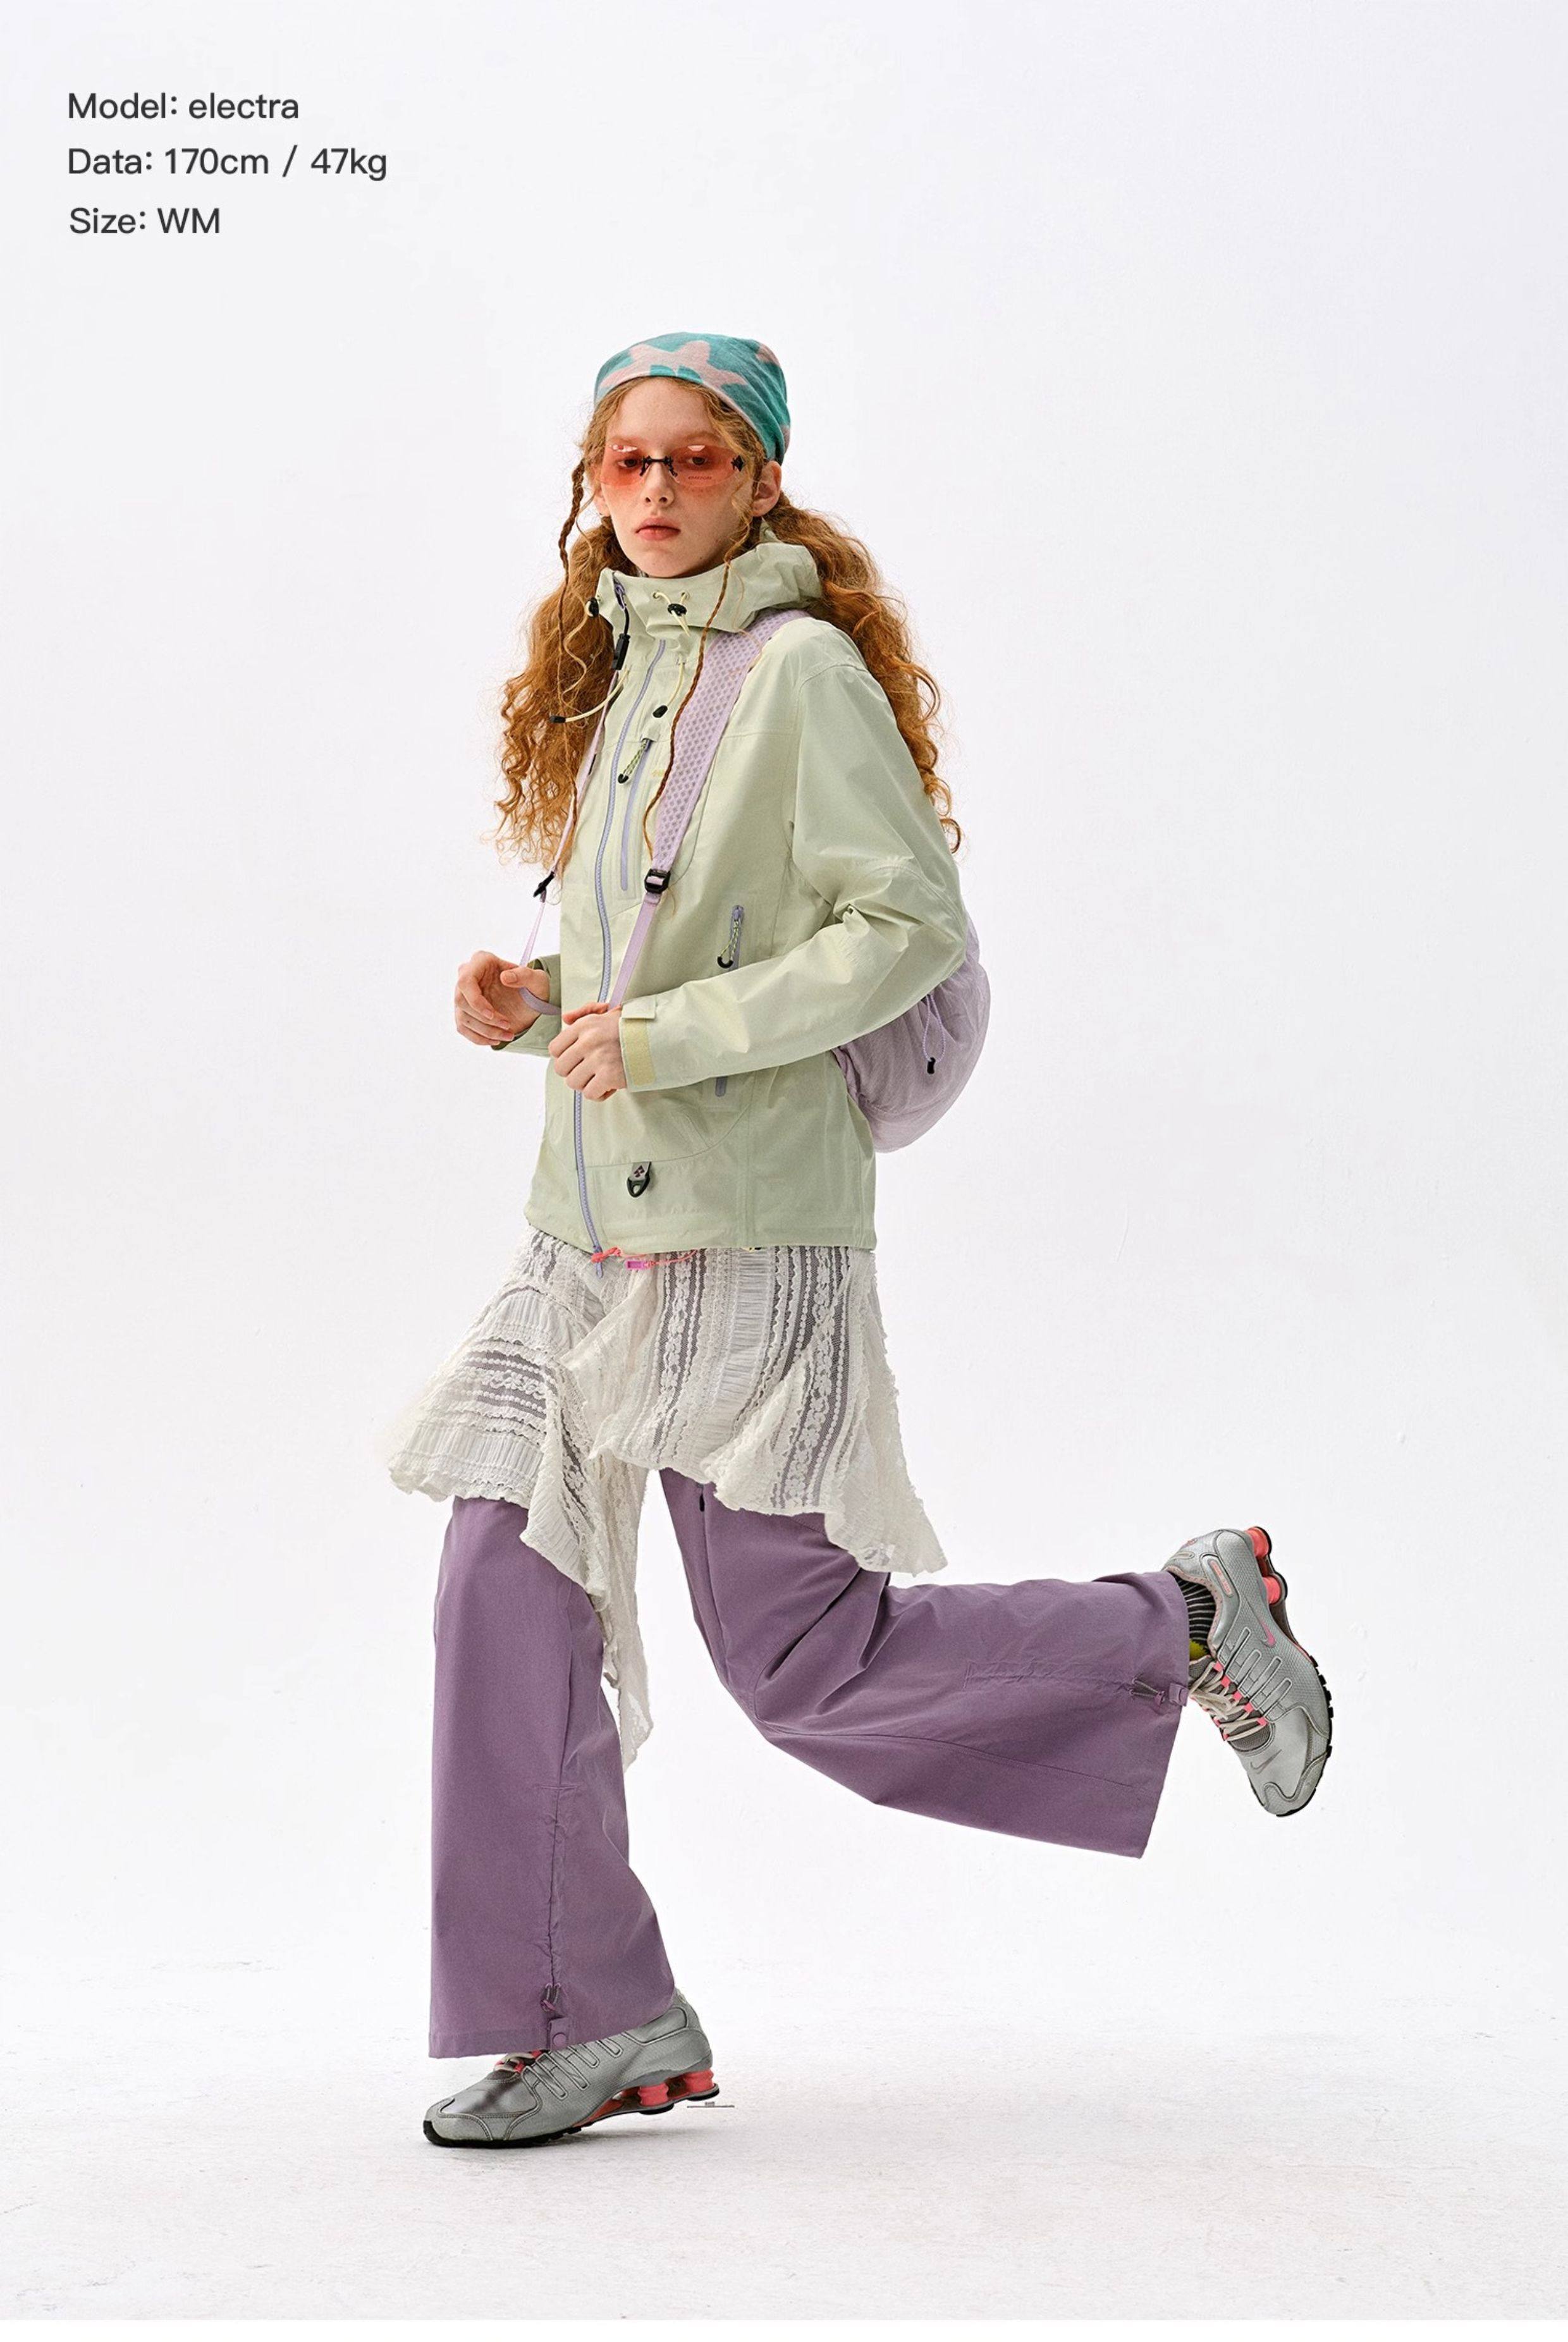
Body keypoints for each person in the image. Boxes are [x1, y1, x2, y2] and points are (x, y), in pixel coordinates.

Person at [382, 331, 1334, 2152]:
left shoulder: (800, 671)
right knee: (500, 1588)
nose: (656, 492)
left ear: (760, 480)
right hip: (583, 1228)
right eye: (628, 462)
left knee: (803, 1661)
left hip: (749, 1230)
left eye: (696, 460)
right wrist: (545, 1004)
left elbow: (903, 932)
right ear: (592, 482)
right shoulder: (632, 663)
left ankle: (1195, 1620)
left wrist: (662, 1037)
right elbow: (678, 940)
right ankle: (594, 2011)